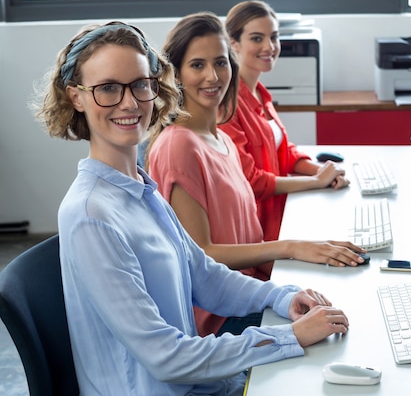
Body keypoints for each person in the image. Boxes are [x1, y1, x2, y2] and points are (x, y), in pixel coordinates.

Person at [33, 20, 349, 396]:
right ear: (77, 97)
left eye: (140, 84)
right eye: (108, 89)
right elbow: (166, 358)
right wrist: (288, 337)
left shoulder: (137, 185)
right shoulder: (90, 214)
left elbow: (204, 275)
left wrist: (281, 296)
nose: (130, 102)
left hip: (199, 383)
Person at [145, 12, 365, 337]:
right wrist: (289, 248)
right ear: (176, 74)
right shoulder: (178, 146)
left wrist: (308, 255)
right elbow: (202, 254)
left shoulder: (220, 139)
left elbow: (247, 237)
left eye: (221, 62)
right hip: (220, 318)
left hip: (253, 292)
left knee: (346, 296)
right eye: (197, 65)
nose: (213, 76)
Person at [222, 0, 350, 242]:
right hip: (258, 229)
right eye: (257, 38)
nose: (269, 47)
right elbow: (251, 181)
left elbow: (284, 152)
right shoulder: (227, 105)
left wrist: (325, 172)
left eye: (274, 37)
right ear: (234, 43)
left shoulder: (260, 93)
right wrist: (315, 181)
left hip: (284, 211)